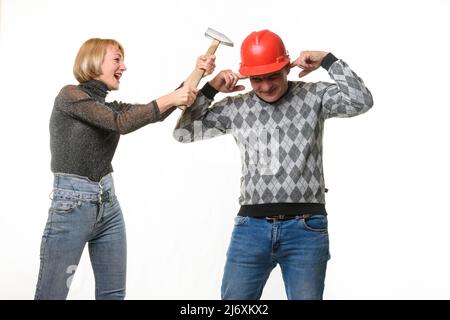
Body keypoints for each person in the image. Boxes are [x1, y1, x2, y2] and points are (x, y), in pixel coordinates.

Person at [173, 29, 373, 300]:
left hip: (306, 229)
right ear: (247, 76)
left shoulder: (315, 97)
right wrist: (211, 89)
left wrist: (328, 60)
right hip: (250, 228)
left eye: (272, 77)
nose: (266, 86)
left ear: (286, 68)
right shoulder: (236, 107)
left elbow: (361, 100)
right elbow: (183, 132)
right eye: (257, 79)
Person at [35, 38, 215, 300]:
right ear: (94, 61)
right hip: (71, 207)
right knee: (51, 295)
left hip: (108, 205)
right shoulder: (70, 97)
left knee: (113, 296)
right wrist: (172, 97)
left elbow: (156, 111)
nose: (124, 67)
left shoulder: (105, 105)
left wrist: (196, 71)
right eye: (117, 59)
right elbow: (121, 123)